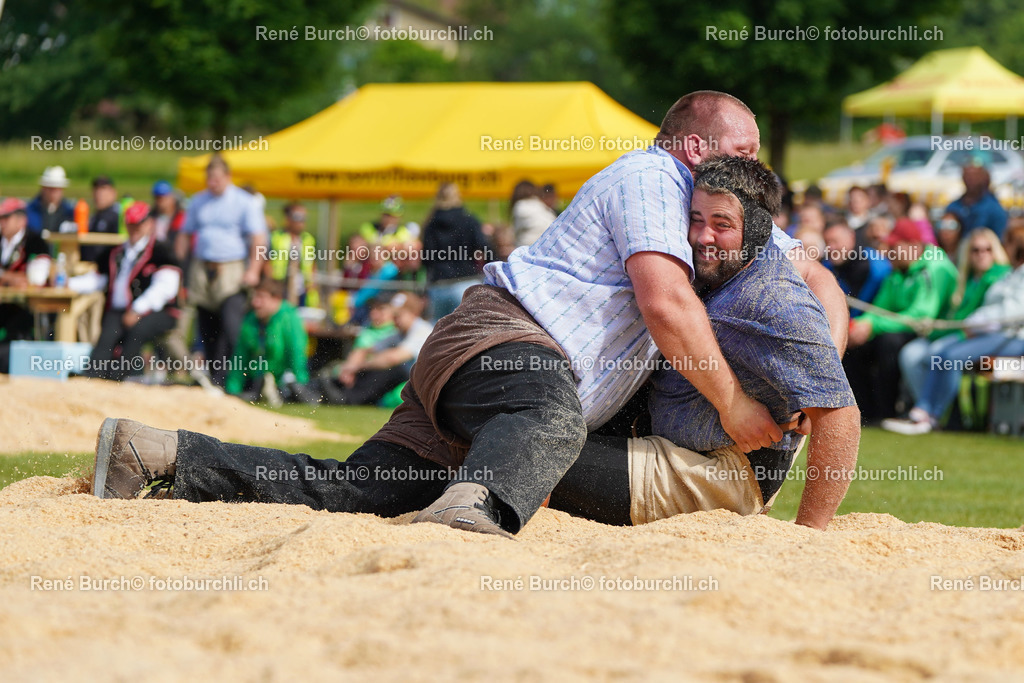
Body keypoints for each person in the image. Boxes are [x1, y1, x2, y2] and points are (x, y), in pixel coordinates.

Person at [89, 90, 849, 538]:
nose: (756, 170)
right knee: (553, 412)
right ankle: (473, 514)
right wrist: (739, 405)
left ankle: (157, 452)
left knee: (358, 492)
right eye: (743, 151)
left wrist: (823, 370)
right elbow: (665, 301)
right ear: (691, 146)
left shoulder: (717, 207)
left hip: (491, 381)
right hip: (506, 344)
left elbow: (821, 281)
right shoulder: (651, 176)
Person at [549, 157, 859, 530]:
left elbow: (841, 417)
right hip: (676, 451)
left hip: (718, 476)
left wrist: (810, 533)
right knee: (517, 434)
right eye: (696, 220)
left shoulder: (774, 299)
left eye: (721, 225)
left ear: (759, 228)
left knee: (533, 460)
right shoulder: (723, 272)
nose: (703, 237)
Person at [882, 224, 1024, 435]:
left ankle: (932, 415)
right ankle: (924, 412)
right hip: (992, 333)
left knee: (948, 356)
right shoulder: (1010, 275)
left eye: (1007, 243)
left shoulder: (1009, 274)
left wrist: (975, 321)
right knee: (941, 353)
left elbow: (1012, 312)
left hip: (1012, 337)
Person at [844, 218, 958, 422]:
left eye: (895, 246)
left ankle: (887, 412)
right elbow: (879, 307)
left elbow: (921, 316)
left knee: (889, 343)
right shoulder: (898, 268)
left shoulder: (935, 267)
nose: (889, 251)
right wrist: (863, 324)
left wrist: (872, 324)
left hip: (937, 334)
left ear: (913, 246)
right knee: (854, 344)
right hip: (911, 331)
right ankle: (863, 412)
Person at [175, 156, 267, 386]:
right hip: (202, 267)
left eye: (216, 178)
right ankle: (216, 379)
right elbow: (185, 233)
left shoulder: (244, 201)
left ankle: (241, 379)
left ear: (228, 177)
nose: (212, 182)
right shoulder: (198, 201)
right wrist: (179, 267)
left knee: (231, 325)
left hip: (232, 268)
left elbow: (259, 238)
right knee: (207, 327)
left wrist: (254, 270)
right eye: (209, 178)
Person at [69, 202, 181, 382]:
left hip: (157, 310)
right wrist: (69, 284)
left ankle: (119, 376)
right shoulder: (116, 252)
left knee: (137, 331)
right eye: (131, 224)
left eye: (139, 224)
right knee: (108, 332)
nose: (135, 229)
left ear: (148, 224)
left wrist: (138, 309)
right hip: (121, 309)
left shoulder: (161, 251)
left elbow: (165, 289)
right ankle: (93, 374)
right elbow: (98, 279)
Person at [321, 293, 433, 406]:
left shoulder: (423, 331)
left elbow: (393, 358)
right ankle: (322, 390)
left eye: (398, 316)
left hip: (423, 385)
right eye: (393, 316)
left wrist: (357, 367)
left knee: (391, 368)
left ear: (413, 313)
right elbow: (365, 350)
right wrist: (350, 368)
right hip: (408, 382)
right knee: (377, 364)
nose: (394, 320)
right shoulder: (400, 333)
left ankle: (348, 399)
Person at [225, 276, 315, 407]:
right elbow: (240, 358)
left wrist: (301, 386)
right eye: (255, 297)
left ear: (276, 298)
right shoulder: (250, 320)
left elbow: (297, 354)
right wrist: (232, 391)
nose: (256, 303)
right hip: (256, 382)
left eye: (261, 297)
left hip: (283, 383)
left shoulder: (289, 318)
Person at [421, 183, 492, 320]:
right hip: (465, 283)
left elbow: (426, 259)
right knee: (468, 331)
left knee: (439, 334)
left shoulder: (431, 224)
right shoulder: (469, 220)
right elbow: (485, 248)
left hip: (439, 285)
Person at [0, 198, 51, 373]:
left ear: (21, 220)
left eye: (6, 218)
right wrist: (9, 277)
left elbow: (36, 278)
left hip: (25, 308)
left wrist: (7, 277)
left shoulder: (35, 242)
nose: (2, 223)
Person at [823, 219, 892, 316]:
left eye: (835, 241)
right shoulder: (827, 266)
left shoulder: (876, 266)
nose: (830, 247)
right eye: (827, 242)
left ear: (851, 237)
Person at [266, 202, 319, 308]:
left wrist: (312, 282)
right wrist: (271, 284)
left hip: (302, 289)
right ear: (288, 218)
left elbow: (312, 263)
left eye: (304, 217)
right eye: (298, 217)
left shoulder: (308, 239)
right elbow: (266, 261)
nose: (301, 221)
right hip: (280, 287)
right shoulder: (276, 237)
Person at [945, 163, 1008, 241]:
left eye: (975, 176)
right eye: (967, 176)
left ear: (984, 178)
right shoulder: (953, 207)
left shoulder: (994, 209)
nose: (971, 179)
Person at [80, 176, 120, 262]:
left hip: (107, 268)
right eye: (96, 190)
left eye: (103, 189)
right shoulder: (93, 217)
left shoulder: (118, 216)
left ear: (113, 193)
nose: (99, 194)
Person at [26, 166, 74, 235]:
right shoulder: (30, 211)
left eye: (57, 189)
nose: (53, 193)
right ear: (43, 188)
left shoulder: (69, 213)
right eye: (50, 188)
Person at [509, 180, 556, 247]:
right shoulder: (541, 205)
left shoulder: (519, 206)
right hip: (551, 242)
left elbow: (516, 233)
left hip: (530, 245)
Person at [151, 180, 186, 245]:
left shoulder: (181, 217)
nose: (160, 201)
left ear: (172, 197)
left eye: (164, 198)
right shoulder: (151, 217)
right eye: (157, 198)